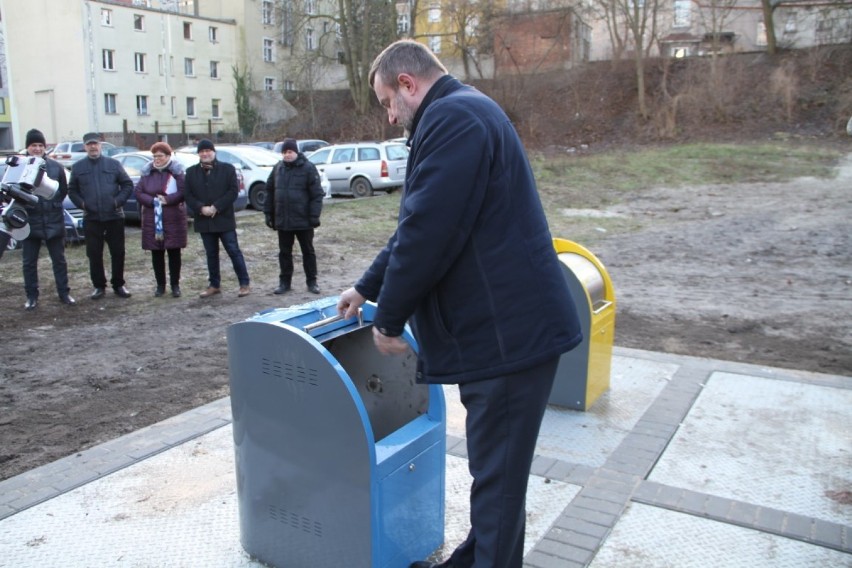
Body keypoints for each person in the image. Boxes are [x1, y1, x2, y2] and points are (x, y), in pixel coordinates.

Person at [336, 40, 582, 568]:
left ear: (408, 84)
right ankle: (477, 557)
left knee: (498, 481)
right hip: (504, 336)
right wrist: (366, 288)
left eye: (386, 102)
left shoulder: (455, 120)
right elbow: (416, 227)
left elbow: (429, 231)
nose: (388, 116)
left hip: (507, 340)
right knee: (496, 476)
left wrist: (391, 317)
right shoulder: (462, 113)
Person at [68, 132, 134, 299]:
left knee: (118, 252)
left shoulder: (113, 164)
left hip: (114, 216)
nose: (92, 147)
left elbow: (127, 184)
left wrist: (117, 202)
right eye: (89, 144)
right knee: (94, 253)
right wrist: (82, 204)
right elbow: (72, 191)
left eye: (95, 144)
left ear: (100, 145)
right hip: (92, 218)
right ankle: (99, 286)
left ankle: (118, 284)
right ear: (84, 147)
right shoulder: (78, 167)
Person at [183, 139, 251, 298]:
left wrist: (216, 207)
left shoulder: (227, 169)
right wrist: (201, 208)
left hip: (224, 219)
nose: (205, 154)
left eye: (208, 151)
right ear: (198, 154)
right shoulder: (191, 172)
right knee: (211, 254)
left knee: (233, 251)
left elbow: (233, 192)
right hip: (204, 220)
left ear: (214, 152)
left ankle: (244, 283)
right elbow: (188, 195)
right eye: (202, 151)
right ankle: (214, 285)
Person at [19, 128, 75, 310]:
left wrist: (52, 205)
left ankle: (64, 293)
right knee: (29, 263)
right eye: (33, 145)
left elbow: (62, 191)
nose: (37, 148)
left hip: (53, 221)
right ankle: (32, 296)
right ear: (27, 147)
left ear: (44, 147)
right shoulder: (21, 166)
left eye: (40, 145)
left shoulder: (55, 167)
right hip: (29, 222)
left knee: (59, 260)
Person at [263, 138, 325, 295]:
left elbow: (317, 194)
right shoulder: (278, 168)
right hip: (283, 220)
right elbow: (269, 190)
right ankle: (285, 282)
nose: (287, 155)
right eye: (284, 152)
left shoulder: (308, 168)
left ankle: (312, 282)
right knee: (284, 253)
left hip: (303, 219)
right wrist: (268, 213)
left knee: (308, 252)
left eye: (290, 152)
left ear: (296, 152)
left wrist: (314, 215)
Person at [134, 142, 187, 298]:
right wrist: (152, 201)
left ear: (168, 156)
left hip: (173, 217)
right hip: (153, 218)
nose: (157, 159)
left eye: (160, 156)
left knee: (174, 253)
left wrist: (168, 200)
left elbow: (184, 191)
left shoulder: (176, 173)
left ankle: (175, 285)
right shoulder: (147, 173)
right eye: (154, 156)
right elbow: (138, 192)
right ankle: (160, 285)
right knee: (156, 253)